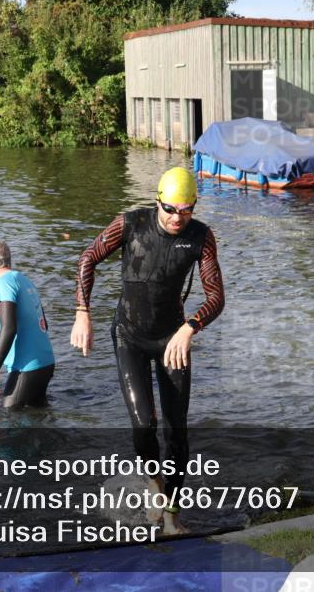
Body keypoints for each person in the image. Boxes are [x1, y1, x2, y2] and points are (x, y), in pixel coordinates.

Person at [72, 167, 225, 535]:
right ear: (158, 201)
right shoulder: (130, 224)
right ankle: (154, 486)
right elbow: (87, 259)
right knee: (144, 424)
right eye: (170, 209)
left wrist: (190, 328)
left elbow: (216, 297)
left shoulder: (201, 237)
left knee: (177, 430)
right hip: (129, 335)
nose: (177, 218)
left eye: (186, 210)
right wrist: (82, 313)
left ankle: (172, 516)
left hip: (173, 338)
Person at [0, 239, 55, 409]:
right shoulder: (24, 280)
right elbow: (44, 324)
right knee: (37, 416)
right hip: (46, 361)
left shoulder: (3, 285)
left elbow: (9, 328)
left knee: (10, 419)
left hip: (27, 366)